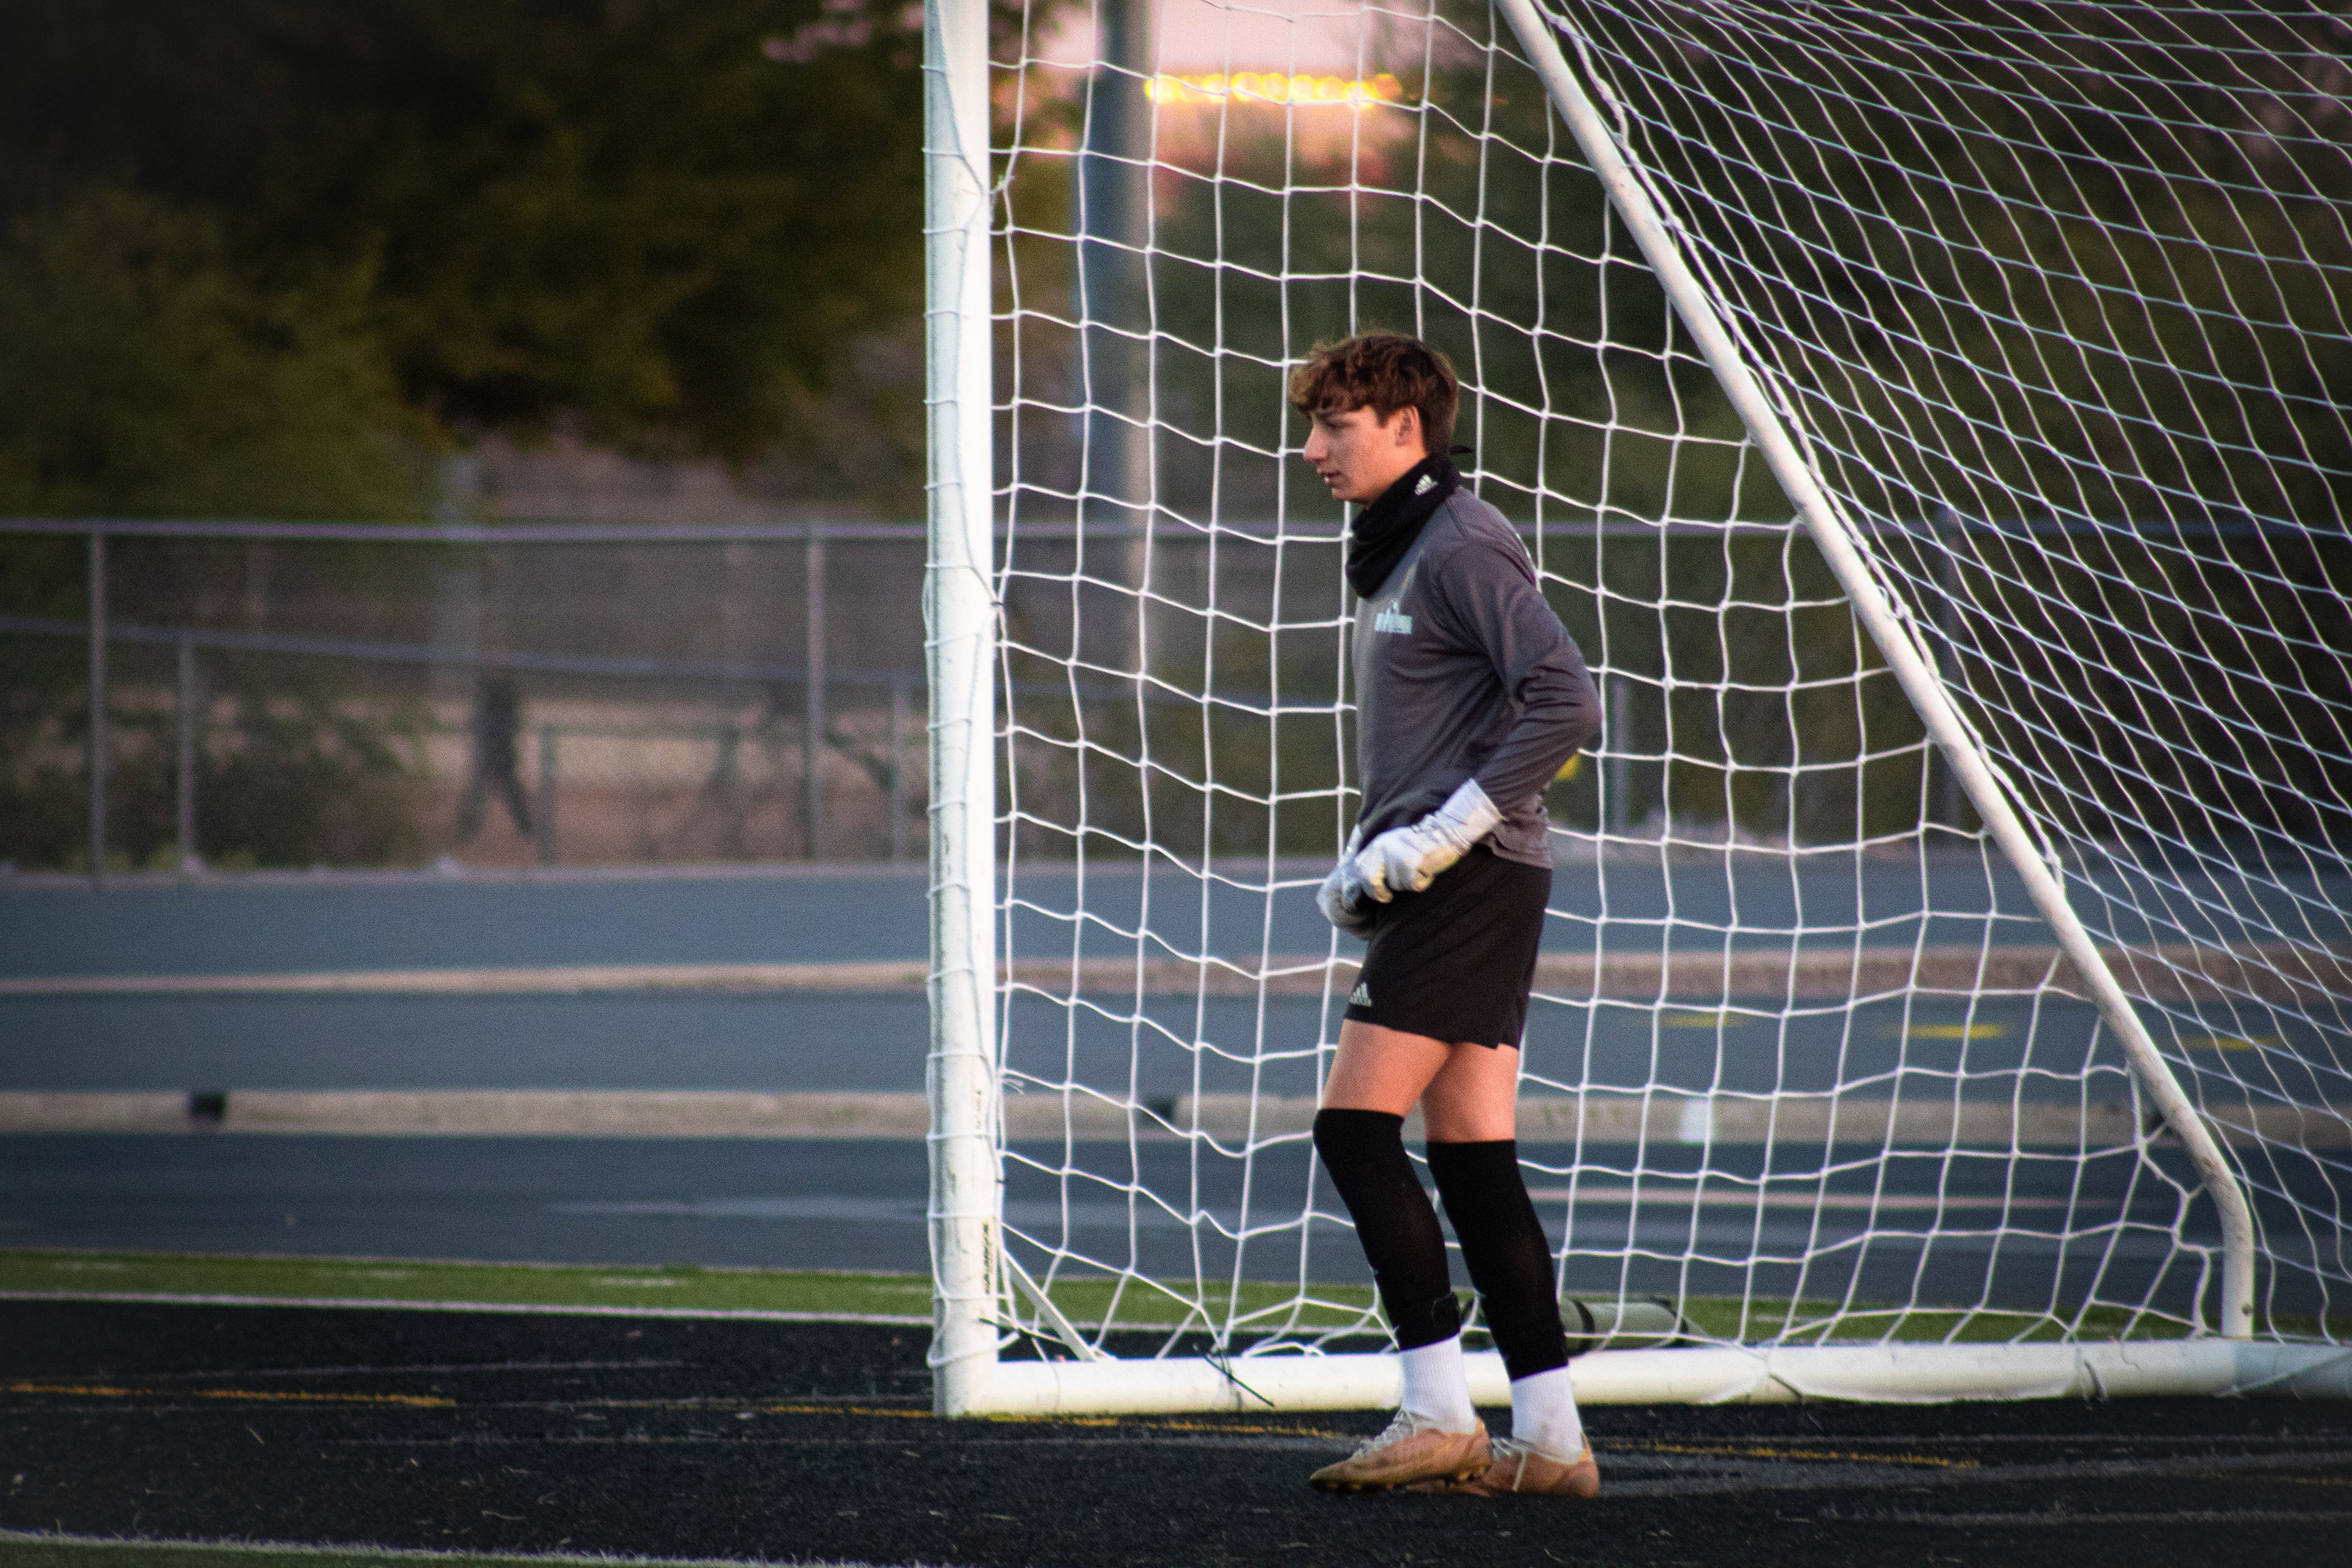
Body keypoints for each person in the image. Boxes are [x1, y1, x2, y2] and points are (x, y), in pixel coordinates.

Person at [1292, 333, 1603, 1498]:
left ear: (1407, 428)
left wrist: (1438, 835)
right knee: (1473, 1162)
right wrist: (1372, 850)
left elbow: (1568, 700)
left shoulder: (1461, 540)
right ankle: (1554, 1442)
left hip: (1469, 880)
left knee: (1354, 1133)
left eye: (1337, 425)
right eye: (1315, 425)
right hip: (1452, 877)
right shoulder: (1401, 546)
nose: (1314, 449)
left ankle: (1437, 1411)